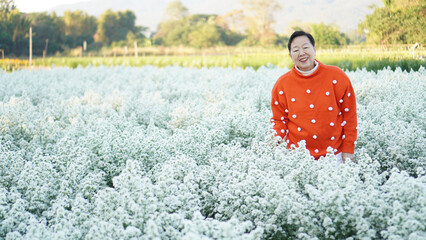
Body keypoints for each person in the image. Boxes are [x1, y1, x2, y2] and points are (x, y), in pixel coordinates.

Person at [270, 31, 357, 163]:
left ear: (314, 49)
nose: (301, 53)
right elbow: (279, 121)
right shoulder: (282, 84)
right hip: (297, 157)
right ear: (290, 55)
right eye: (296, 50)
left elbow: (349, 116)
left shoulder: (337, 76)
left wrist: (348, 150)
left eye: (305, 47)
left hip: (335, 156)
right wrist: (270, 146)